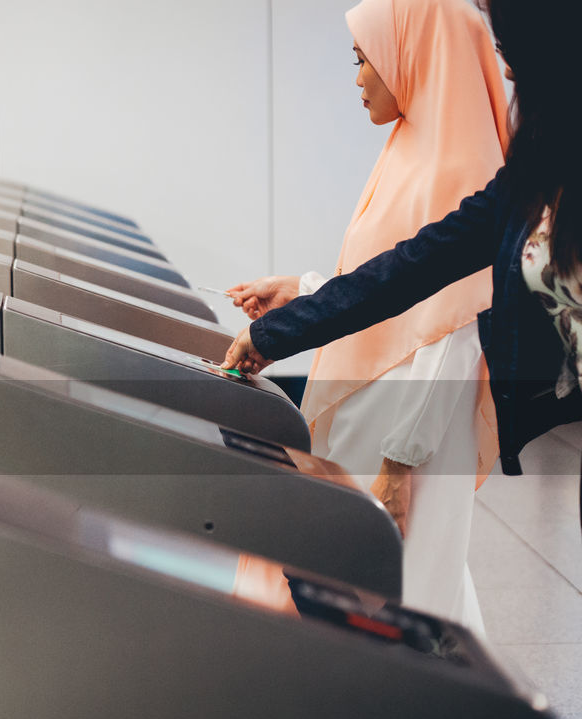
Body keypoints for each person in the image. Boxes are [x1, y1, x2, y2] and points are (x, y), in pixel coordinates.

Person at [222, 0, 582, 535]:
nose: (506, 71)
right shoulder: (538, 167)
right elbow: (414, 266)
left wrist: (401, 457)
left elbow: (450, 325)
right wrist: (279, 328)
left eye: (513, 50)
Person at [227, 0, 507, 631]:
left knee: (401, 588)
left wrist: (399, 464)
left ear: (413, 56)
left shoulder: (463, 168)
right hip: (377, 408)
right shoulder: (411, 148)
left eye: (364, 60)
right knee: (386, 581)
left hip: (407, 423)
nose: (358, 79)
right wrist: (301, 290)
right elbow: (391, 278)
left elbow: (453, 335)